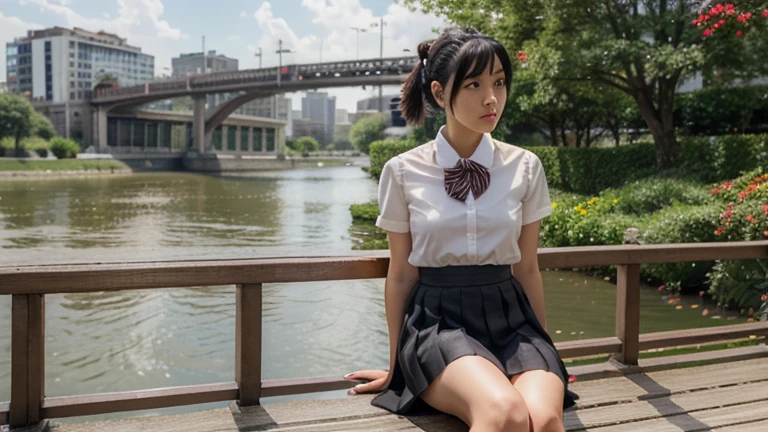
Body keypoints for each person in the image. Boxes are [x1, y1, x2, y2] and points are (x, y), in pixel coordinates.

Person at [344, 26, 578, 432]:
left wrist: (544, 349)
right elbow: (401, 274)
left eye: (500, 82)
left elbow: (526, 268)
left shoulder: (525, 166)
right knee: (503, 413)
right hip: (438, 322)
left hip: (513, 319)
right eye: (474, 84)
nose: (492, 98)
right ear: (439, 93)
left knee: (542, 418)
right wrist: (396, 366)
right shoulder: (402, 171)